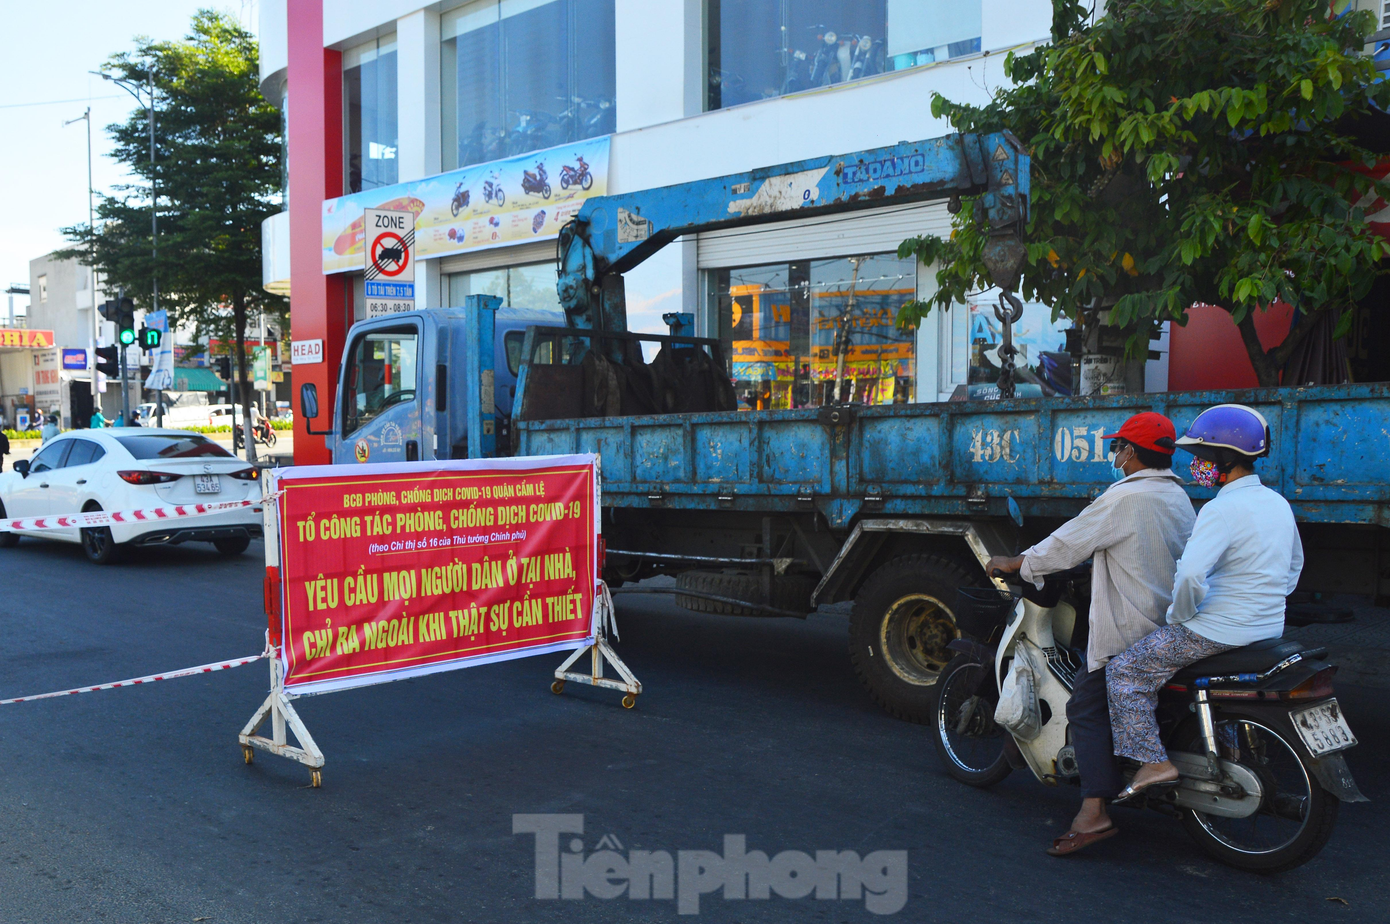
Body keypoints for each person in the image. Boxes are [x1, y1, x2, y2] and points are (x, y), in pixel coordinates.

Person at [985, 412, 1195, 857]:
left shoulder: (1124, 498)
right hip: (1171, 623)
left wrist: (1018, 562)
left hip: (1131, 628)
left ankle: (1094, 810)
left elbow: (1067, 542)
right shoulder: (1177, 497)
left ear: (1132, 452)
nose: (1115, 455)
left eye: (1117, 447)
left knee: (1085, 705)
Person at [1106, 404, 1302, 800]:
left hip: (1219, 630)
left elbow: (1191, 575)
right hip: (1267, 629)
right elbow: (1294, 567)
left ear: (1224, 460)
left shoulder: (1220, 508)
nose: (1196, 464)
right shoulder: (1277, 503)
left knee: (1124, 672)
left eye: (1201, 457)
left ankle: (1153, 761)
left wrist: (1180, 618)